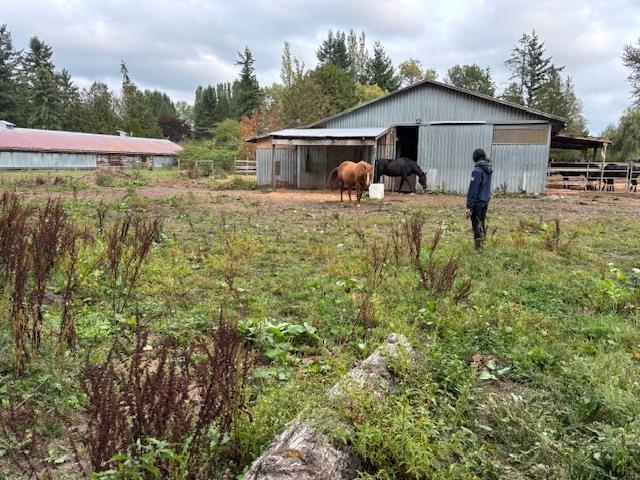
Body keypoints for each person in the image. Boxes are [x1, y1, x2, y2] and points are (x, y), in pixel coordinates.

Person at [466, 148, 493, 249]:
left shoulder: (477, 171)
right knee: (481, 222)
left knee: (476, 224)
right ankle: (483, 242)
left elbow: (473, 189)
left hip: (477, 201)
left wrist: (469, 206)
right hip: (485, 200)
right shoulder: (488, 169)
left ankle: (478, 248)